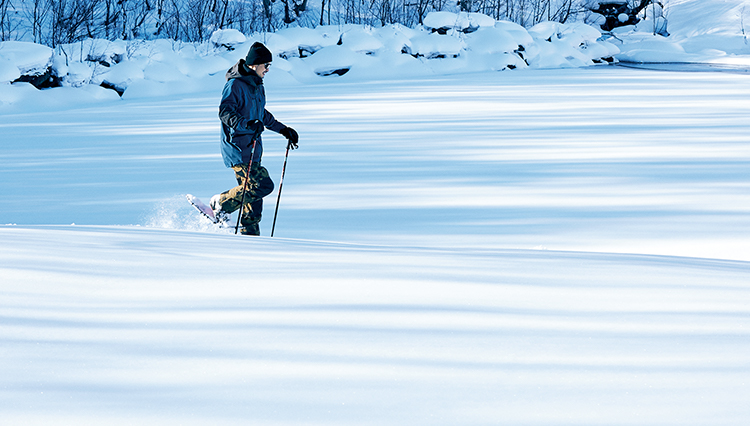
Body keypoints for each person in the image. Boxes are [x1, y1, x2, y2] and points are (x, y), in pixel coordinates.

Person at [211, 42, 299, 236]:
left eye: (269, 65)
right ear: (254, 65)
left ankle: (250, 235)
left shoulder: (257, 85)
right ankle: (222, 202)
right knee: (261, 185)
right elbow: (225, 112)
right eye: (265, 65)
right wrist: (246, 124)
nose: (268, 69)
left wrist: (283, 130)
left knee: (254, 196)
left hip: (253, 148)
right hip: (237, 148)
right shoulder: (235, 84)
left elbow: (261, 113)